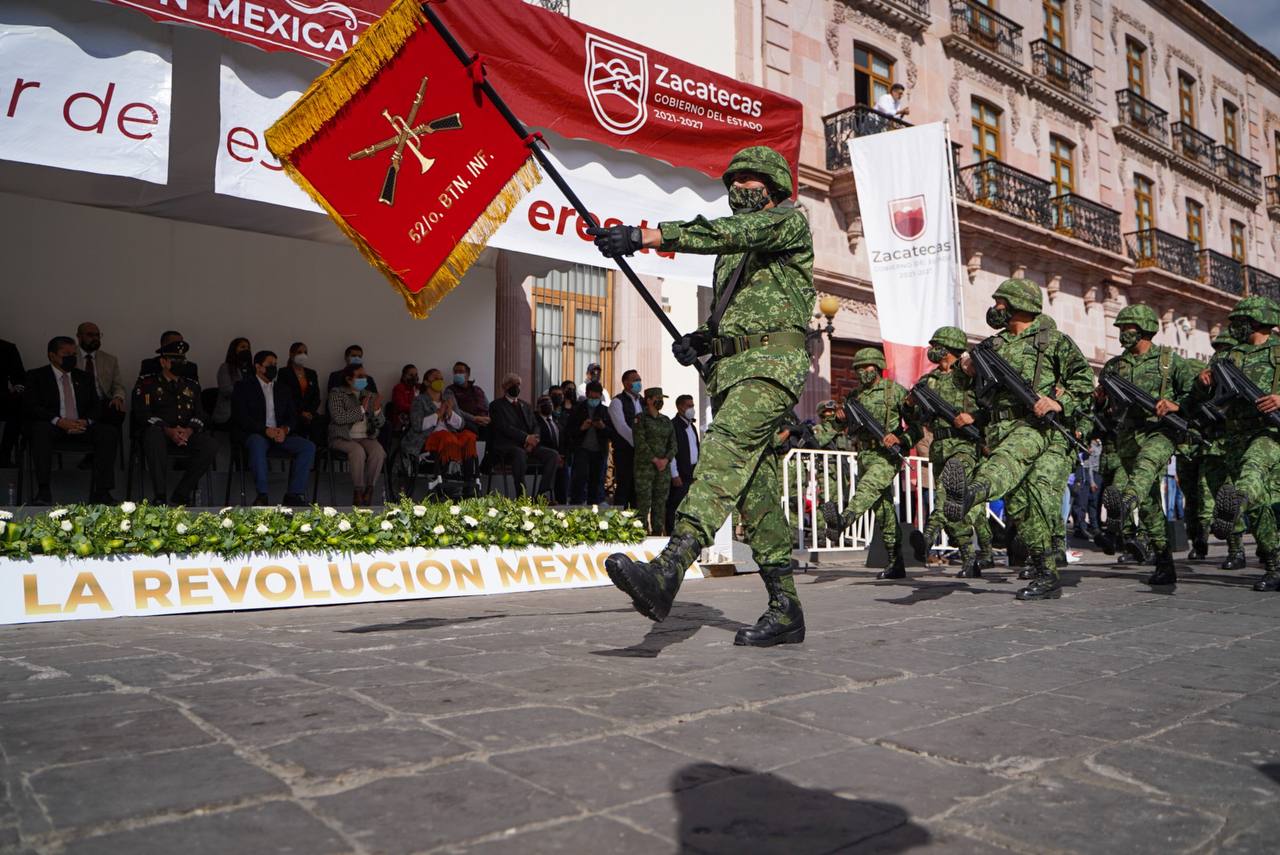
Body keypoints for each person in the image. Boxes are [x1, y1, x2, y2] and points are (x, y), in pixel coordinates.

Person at [587, 144, 814, 646]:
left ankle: (669, 569)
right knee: (752, 492)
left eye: (749, 180)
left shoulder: (785, 222)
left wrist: (646, 236)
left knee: (723, 450)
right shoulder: (735, 257)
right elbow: (739, 313)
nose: (737, 189)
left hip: (771, 368)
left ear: (774, 186)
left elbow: (727, 231)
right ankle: (786, 609)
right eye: (731, 182)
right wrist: (705, 339)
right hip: (734, 372)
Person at [941, 278, 1093, 601]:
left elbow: (1084, 383)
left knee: (1007, 463)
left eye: (1000, 303)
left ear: (1018, 305)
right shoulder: (993, 346)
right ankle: (1047, 572)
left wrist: (1057, 402)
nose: (995, 308)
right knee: (1022, 507)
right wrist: (965, 369)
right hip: (997, 428)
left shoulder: (1052, 342)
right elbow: (962, 385)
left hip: (1034, 427)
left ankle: (971, 492)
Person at [1094, 304, 1199, 587]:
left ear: (1142, 330)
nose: (1121, 333)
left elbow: (1194, 397)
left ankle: (1124, 505)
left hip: (1160, 431)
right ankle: (1164, 560)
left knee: (1146, 467)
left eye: (1125, 328)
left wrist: (1176, 405)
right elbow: (1102, 408)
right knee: (1151, 503)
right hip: (1127, 435)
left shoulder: (1169, 361)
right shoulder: (1114, 366)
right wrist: (1100, 399)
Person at [1202, 296, 1280, 591]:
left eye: (1239, 321)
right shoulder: (1227, 358)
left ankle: (1235, 500)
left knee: (1252, 470)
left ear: (1258, 321)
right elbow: (1204, 400)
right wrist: (1203, 384)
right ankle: (1274, 564)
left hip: (1269, 433)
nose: (1232, 326)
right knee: (1260, 506)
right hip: (1234, 436)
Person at [905, 327, 994, 578]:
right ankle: (971, 559)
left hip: (964, 444)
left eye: (938, 345)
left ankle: (929, 534)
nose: (933, 350)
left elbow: (992, 407)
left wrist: (973, 417)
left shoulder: (971, 375)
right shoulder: (928, 381)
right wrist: (909, 405)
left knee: (947, 496)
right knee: (960, 507)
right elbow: (914, 416)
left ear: (950, 348)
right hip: (940, 446)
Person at [818, 348, 912, 579]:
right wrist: (839, 419)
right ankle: (895, 561)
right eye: (858, 368)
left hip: (886, 455)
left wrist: (900, 439)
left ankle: (844, 520)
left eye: (866, 367)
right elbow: (841, 428)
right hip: (864, 455)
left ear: (878, 367)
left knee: (867, 489)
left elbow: (917, 426)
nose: (862, 372)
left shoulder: (895, 391)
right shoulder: (854, 397)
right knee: (883, 510)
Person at [22, 336, 120, 504]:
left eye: (73, 354)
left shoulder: (84, 377)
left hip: (80, 425)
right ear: (52, 355)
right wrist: (58, 421)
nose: (71, 358)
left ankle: (102, 492)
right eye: (65, 354)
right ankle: (43, 491)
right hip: (54, 426)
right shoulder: (37, 376)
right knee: (39, 430)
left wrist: (86, 421)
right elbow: (32, 406)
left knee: (108, 433)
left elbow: (96, 406)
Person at [134, 340, 217, 504]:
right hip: (160, 433)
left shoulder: (192, 386)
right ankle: (160, 495)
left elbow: (201, 414)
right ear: (163, 362)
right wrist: (168, 429)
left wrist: (189, 430)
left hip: (186, 434)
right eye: (175, 360)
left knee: (210, 444)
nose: (180, 364)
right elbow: (142, 414)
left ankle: (182, 493)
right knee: (153, 435)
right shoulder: (147, 383)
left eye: (183, 360)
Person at [231, 350, 315, 506]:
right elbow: (241, 417)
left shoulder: (282, 389)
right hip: (257, 434)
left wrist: (285, 430)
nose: (273, 368)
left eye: (275, 364)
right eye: (270, 364)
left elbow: (293, 416)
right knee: (257, 443)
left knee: (307, 447)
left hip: (279, 435)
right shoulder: (243, 387)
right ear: (258, 367)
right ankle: (262, 495)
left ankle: (294, 494)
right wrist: (265, 430)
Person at [1194, 332, 1244, 568]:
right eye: (1218, 348)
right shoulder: (1212, 367)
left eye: (1226, 347)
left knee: (1239, 496)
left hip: (1239, 441)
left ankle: (1265, 551)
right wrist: (1202, 384)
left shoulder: (1244, 363)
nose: (1220, 352)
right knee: (1220, 499)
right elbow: (1196, 400)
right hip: (1213, 443)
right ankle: (1235, 550)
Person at [487, 373, 558, 497]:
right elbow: (505, 428)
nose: (516, 387)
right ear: (504, 387)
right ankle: (522, 497)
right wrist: (526, 438)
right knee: (519, 453)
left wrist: (534, 439)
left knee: (552, 455)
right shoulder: (496, 405)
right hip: (507, 447)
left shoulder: (526, 405)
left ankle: (542, 495)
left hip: (528, 445)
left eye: (518, 384)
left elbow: (536, 425)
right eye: (512, 384)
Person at [402, 368, 478, 481]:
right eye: (436, 378)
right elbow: (417, 425)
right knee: (446, 437)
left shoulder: (448, 399)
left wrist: (450, 413)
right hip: (426, 438)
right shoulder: (419, 400)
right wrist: (437, 415)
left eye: (441, 379)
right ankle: (448, 480)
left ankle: (469, 484)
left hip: (449, 436)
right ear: (427, 382)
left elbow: (461, 425)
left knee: (469, 436)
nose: (440, 381)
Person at [327, 364, 387, 506]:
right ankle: (358, 491)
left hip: (366, 437)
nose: (364, 379)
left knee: (379, 452)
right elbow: (339, 417)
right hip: (342, 437)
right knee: (357, 451)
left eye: (365, 376)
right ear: (348, 379)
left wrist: (377, 410)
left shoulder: (370, 395)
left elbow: (380, 423)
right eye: (360, 376)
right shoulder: (337, 393)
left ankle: (369, 489)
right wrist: (361, 409)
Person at [632, 388, 677, 535]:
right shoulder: (640, 419)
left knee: (660, 503)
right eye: (657, 398)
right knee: (644, 503)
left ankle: (658, 533)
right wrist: (654, 459)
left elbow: (673, 444)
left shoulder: (666, 421)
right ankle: (641, 533)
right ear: (649, 400)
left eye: (661, 398)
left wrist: (665, 460)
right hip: (645, 468)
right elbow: (640, 442)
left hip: (663, 469)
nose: (660, 401)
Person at [75, 322, 127, 428]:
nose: (95, 338)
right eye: (90, 335)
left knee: (116, 410)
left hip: (101, 402)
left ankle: (108, 440)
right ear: (79, 337)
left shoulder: (110, 360)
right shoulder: (71, 356)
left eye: (97, 335)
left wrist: (118, 397)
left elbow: (118, 386)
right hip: (77, 402)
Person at [566, 381, 610, 504]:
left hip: (599, 451)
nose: (594, 400)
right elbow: (569, 431)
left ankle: (595, 504)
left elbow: (611, 433)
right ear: (586, 394)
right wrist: (582, 428)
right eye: (591, 397)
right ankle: (577, 503)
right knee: (579, 479)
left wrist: (602, 427)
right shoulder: (577, 409)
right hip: (582, 450)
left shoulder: (605, 411)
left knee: (597, 480)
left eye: (597, 398)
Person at [608, 368, 645, 507]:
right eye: (635, 380)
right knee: (624, 487)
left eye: (639, 380)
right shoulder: (617, 402)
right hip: (625, 452)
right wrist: (639, 443)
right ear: (625, 383)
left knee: (638, 489)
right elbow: (622, 428)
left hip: (641, 453)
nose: (638, 383)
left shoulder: (643, 401)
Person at [667, 394, 700, 534]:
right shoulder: (673, 425)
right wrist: (674, 474)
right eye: (689, 406)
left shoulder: (691, 426)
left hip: (691, 472)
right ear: (680, 407)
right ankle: (670, 533)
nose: (692, 409)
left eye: (692, 406)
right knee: (674, 506)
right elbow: (671, 451)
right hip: (680, 474)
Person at [278, 342, 321, 441]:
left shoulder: (312, 373)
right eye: (299, 352)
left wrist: (310, 412)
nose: (303, 355)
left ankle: (317, 453)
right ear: (291, 354)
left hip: (310, 413)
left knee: (318, 424)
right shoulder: (284, 372)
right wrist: (300, 412)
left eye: (305, 352)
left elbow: (316, 396)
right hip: (293, 412)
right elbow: (284, 395)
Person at [535, 394, 568, 503]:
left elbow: (562, 440)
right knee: (553, 458)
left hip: (558, 456)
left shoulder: (557, 420)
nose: (548, 405)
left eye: (549, 403)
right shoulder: (535, 421)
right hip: (542, 455)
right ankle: (542, 494)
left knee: (565, 465)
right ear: (538, 407)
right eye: (544, 403)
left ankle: (562, 500)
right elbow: (537, 439)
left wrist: (562, 454)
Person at [444, 361, 491, 436]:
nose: (457, 374)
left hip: (484, 420)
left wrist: (488, 418)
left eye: (461, 371)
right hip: (467, 421)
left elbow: (488, 406)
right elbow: (454, 410)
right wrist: (474, 418)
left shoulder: (478, 389)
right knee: (473, 429)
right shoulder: (450, 390)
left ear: (468, 374)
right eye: (455, 372)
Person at [214, 338, 252, 426]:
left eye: (248, 348)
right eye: (242, 347)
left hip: (248, 412)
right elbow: (226, 390)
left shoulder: (251, 370)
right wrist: (247, 391)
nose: (246, 350)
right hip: (229, 412)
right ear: (234, 350)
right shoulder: (225, 367)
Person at [0, 337, 24, 467]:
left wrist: (16, 391)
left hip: (2, 398)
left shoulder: (7, 348)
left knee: (19, 405)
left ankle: (4, 455)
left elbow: (20, 379)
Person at [391, 364, 419, 434]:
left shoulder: (419, 387)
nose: (414, 377)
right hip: (403, 416)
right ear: (404, 376)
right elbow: (400, 406)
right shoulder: (399, 388)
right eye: (411, 375)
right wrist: (416, 408)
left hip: (417, 414)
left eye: (416, 375)